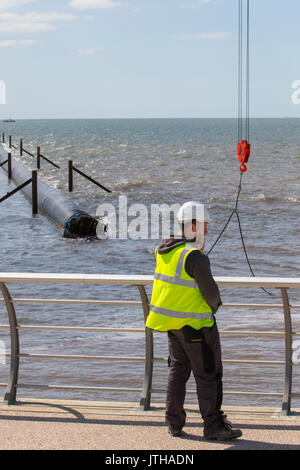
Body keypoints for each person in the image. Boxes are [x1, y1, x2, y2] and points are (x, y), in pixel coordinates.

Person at [145, 201, 242, 441]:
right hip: (197, 325)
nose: (207, 231)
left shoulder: (163, 249)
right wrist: (215, 306)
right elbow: (211, 294)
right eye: (205, 226)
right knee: (209, 374)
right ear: (194, 225)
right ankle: (213, 426)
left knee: (178, 372)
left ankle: (174, 423)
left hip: (171, 324)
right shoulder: (195, 256)